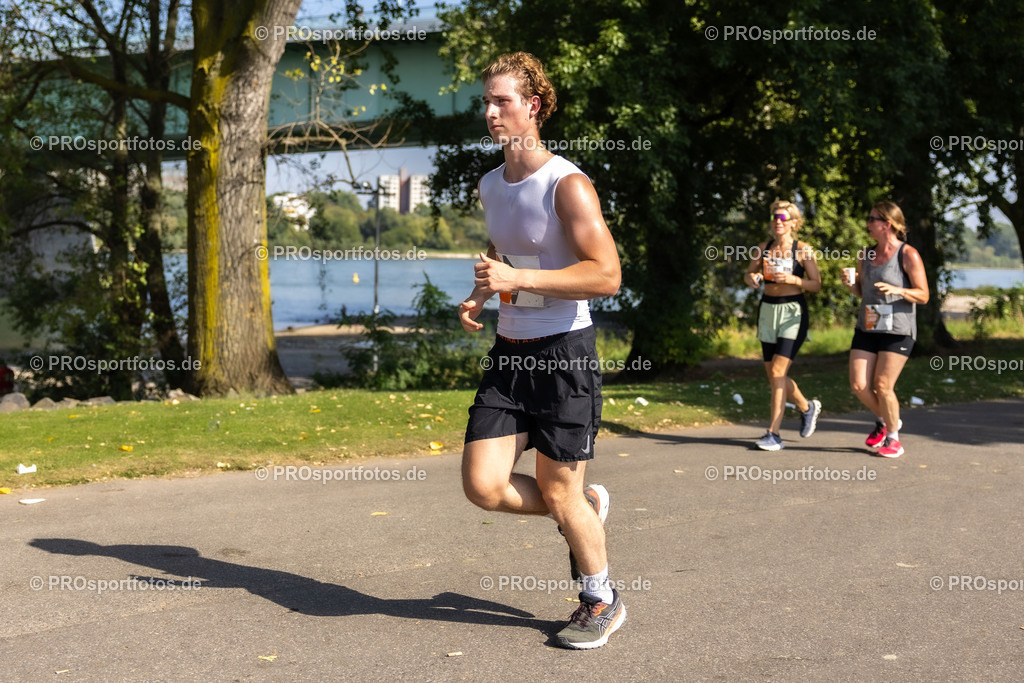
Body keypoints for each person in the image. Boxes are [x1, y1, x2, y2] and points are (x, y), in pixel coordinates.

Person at [458, 51, 626, 650]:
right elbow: (511, 257)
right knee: (482, 485)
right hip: (510, 352)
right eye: (486, 100)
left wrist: (517, 283)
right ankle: (582, 506)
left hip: (564, 354)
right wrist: (482, 293)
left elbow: (607, 276)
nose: (490, 111)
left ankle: (599, 598)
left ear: (532, 106)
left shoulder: (567, 184)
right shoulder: (490, 183)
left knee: (556, 491)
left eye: (501, 100)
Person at [842, 201, 929, 458]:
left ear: (886, 224)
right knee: (859, 384)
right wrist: (850, 284)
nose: (867, 223)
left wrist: (899, 290)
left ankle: (894, 438)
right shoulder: (866, 255)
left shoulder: (908, 254)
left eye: (871, 219)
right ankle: (885, 419)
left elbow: (923, 295)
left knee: (882, 385)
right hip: (868, 325)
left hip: (898, 330)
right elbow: (862, 293)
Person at [743, 200, 823, 451]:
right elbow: (748, 274)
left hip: (793, 312)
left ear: (793, 223)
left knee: (778, 372)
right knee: (774, 375)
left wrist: (793, 279)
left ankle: (773, 434)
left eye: (783, 219)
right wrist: (753, 278)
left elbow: (816, 284)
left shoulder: (803, 250)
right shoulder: (763, 248)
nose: (778, 222)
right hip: (767, 310)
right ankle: (807, 407)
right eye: (775, 218)